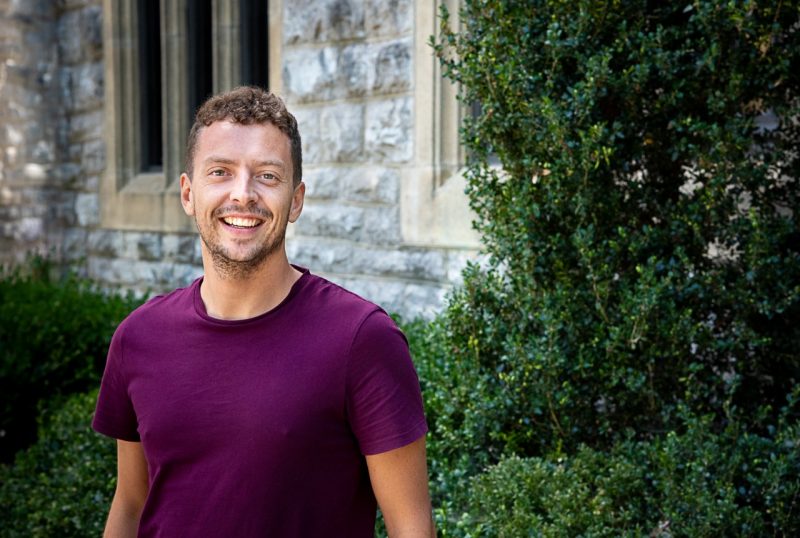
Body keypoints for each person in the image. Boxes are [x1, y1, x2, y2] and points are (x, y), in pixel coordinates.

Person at [92, 86, 435, 537]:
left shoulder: (361, 338)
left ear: (295, 200)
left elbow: (412, 527)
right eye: (220, 172)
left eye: (267, 176)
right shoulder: (138, 337)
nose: (243, 194)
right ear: (188, 193)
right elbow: (132, 503)